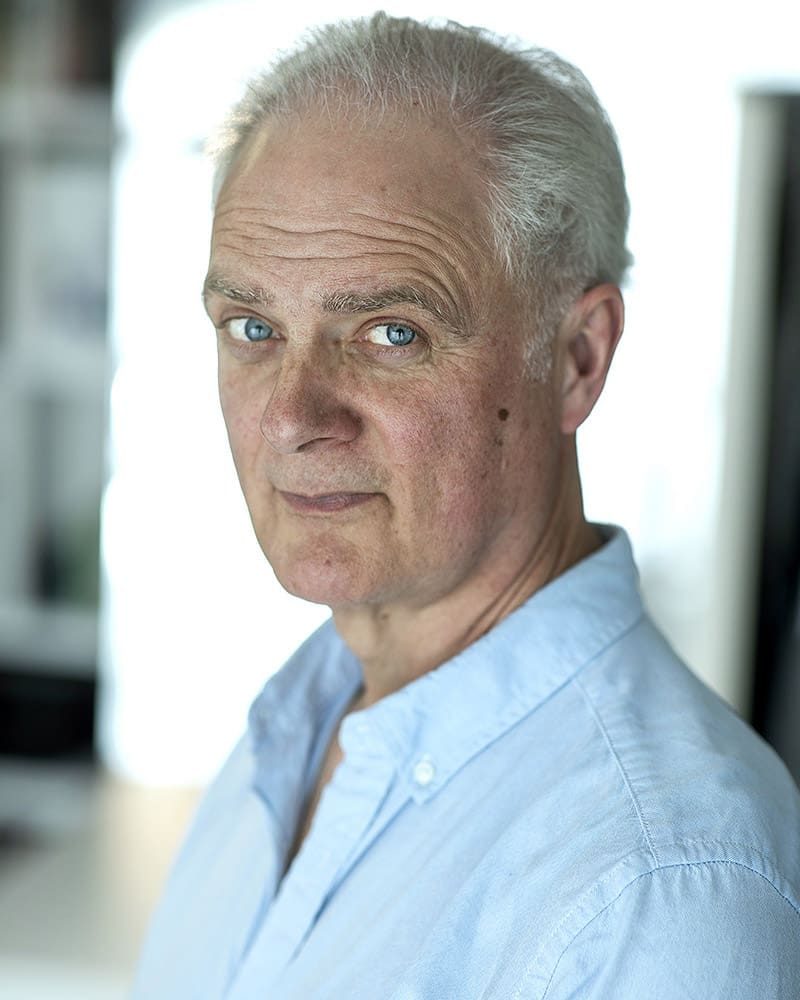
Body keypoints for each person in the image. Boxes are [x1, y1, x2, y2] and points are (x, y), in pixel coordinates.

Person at [133, 13, 800, 998]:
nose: (289, 416)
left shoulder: (659, 894)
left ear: (575, 359)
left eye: (390, 331)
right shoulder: (298, 722)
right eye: (252, 325)